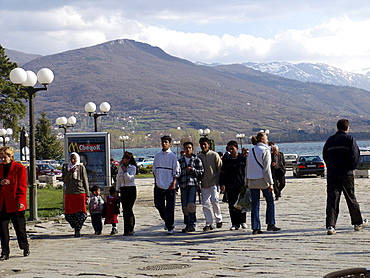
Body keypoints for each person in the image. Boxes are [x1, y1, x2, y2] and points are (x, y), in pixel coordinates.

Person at [323, 119, 368, 235]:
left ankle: (330, 226)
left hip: (332, 173)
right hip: (346, 173)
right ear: (347, 128)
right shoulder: (350, 139)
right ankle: (357, 223)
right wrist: (352, 167)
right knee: (351, 198)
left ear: (337, 128)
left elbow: (325, 155)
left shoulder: (330, 140)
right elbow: (355, 155)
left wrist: (330, 166)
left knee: (332, 200)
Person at [245, 132, 280, 235]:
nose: (267, 140)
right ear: (262, 140)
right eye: (266, 138)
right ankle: (270, 223)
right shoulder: (265, 150)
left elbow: (247, 167)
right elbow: (266, 169)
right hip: (263, 180)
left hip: (252, 180)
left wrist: (246, 181)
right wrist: (270, 183)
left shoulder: (251, 150)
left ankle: (255, 227)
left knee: (255, 204)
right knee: (270, 201)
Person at [0, 146, 29, 261]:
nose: (2, 160)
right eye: (1, 157)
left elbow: (22, 186)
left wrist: (21, 201)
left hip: (16, 202)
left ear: (11, 157)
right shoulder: (0, 168)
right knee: (2, 229)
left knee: (19, 228)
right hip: (3, 202)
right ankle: (5, 252)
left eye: (4, 157)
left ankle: (24, 247)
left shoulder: (19, 168)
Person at [153, 135, 180, 235]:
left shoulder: (173, 156)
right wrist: (156, 182)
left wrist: (173, 183)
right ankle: (166, 220)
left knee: (170, 207)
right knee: (158, 205)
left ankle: (170, 226)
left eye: (166, 142)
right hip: (159, 184)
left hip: (169, 185)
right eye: (163, 142)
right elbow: (154, 170)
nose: (164, 144)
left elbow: (176, 171)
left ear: (169, 144)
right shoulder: (157, 156)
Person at [219, 141, 247, 230]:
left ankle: (243, 221)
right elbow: (223, 173)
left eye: (232, 148)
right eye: (229, 149)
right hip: (230, 185)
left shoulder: (243, 159)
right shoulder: (226, 160)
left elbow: (246, 171)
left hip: (241, 184)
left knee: (242, 204)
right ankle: (235, 223)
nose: (231, 150)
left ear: (237, 148)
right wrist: (222, 184)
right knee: (232, 205)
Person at [178, 142, 204, 233]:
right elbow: (178, 173)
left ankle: (192, 223)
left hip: (192, 184)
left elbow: (201, 172)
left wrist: (192, 170)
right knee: (184, 205)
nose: (188, 149)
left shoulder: (196, 160)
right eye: (186, 148)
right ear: (184, 149)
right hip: (183, 185)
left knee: (191, 204)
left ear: (192, 148)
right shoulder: (180, 160)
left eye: (189, 147)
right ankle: (187, 223)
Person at [198, 137, 223, 231]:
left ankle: (218, 218)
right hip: (204, 183)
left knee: (214, 200)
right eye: (202, 145)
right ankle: (208, 222)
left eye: (205, 144)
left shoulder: (214, 155)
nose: (203, 146)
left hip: (214, 182)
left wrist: (221, 182)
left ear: (208, 145)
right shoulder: (199, 157)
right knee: (205, 203)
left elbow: (220, 168)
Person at [62, 152, 90, 237]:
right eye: (71, 158)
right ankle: (74, 226)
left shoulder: (81, 167)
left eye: (74, 158)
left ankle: (78, 229)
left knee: (81, 213)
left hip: (80, 193)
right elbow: (65, 180)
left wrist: (87, 194)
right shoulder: (66, 167)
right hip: (70, 193)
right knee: (69, 213)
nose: (73, 160)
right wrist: (70, 172)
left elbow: (85, 180)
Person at [116, 152, 137, 236]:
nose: (122, 160)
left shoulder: (132, 168)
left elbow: (130, 179)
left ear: (128, 159)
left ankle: (131, 228)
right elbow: (118, 179)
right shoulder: (120, 168)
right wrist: (117, 190)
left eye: (124, 158)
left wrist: (126, 172)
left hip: (130, 189)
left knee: (129, 209)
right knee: (125, 209)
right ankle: (126, 229)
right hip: (123, 189)